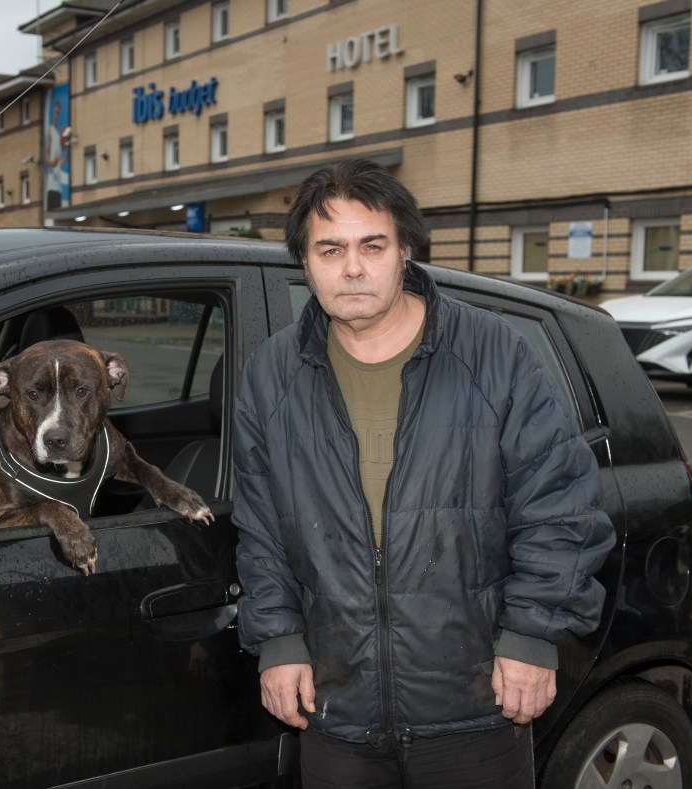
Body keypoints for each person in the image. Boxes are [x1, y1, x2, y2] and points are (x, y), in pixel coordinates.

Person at [231, 158, 616, 788]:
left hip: (476, 704)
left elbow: (561, 505)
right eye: (329, 249)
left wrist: (532, 636)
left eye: (371, 245)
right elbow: (261, 526)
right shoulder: (272, 373)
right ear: (304, 261)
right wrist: (277, 642)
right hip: (336, 710)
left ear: (404, 249)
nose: (352, 267)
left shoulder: (494, 353)